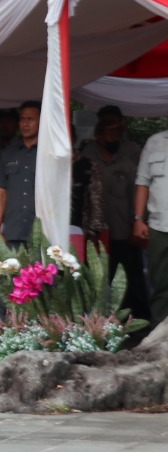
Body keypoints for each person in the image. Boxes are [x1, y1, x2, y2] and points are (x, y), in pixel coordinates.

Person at [83, 108, 150, 318]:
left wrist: (137, 224)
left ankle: (137, 321)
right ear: (99, 136)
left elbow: (137, 196)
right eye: (109, 134)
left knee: (131, 278)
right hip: (94, 235)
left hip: (123, 231)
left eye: (117, 134)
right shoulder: (86, 159)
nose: (114, 138)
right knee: (97, 279)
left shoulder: (128, 163)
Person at [0, 100, 40, 246]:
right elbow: (0, 194)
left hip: (42, 233)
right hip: (13, 231)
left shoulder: (49, 153)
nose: (25, 124)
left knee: (41, 269)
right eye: (22, 119)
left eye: (30, 119)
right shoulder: (8, 153)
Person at [135, 127, 168, 325]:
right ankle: (159, 338)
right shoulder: (154, 141)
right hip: (159, 227)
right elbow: (142, 183)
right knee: (160, 285)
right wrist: (138, 219)